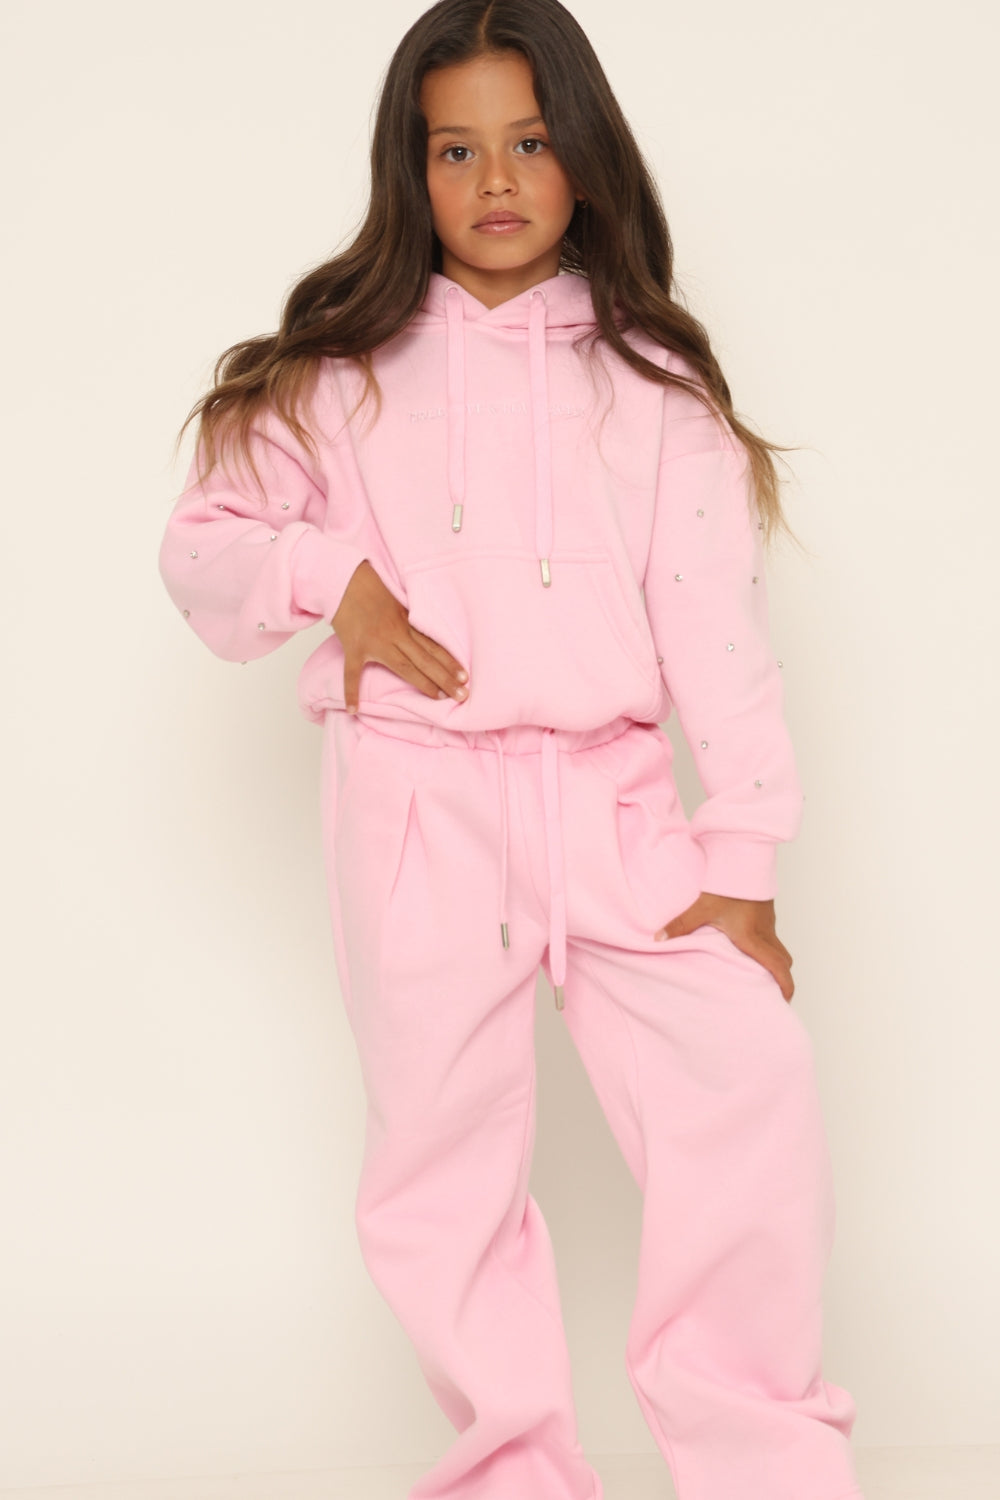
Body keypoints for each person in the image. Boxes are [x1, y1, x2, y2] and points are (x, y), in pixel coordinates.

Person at [158, 3, 866, 1497]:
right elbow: (204, 547)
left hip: (615, 797)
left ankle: (763, 1465)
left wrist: (742, 854)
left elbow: (715, 623)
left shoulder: (653, 382)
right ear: (407, 171)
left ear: (587, 157)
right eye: (455, 149)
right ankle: (511, 1476)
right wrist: (332, 582)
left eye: (531, 142)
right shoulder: (337, 373)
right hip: (420, 803)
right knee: (444, 1163)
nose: (494, 179)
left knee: (745, 1087)